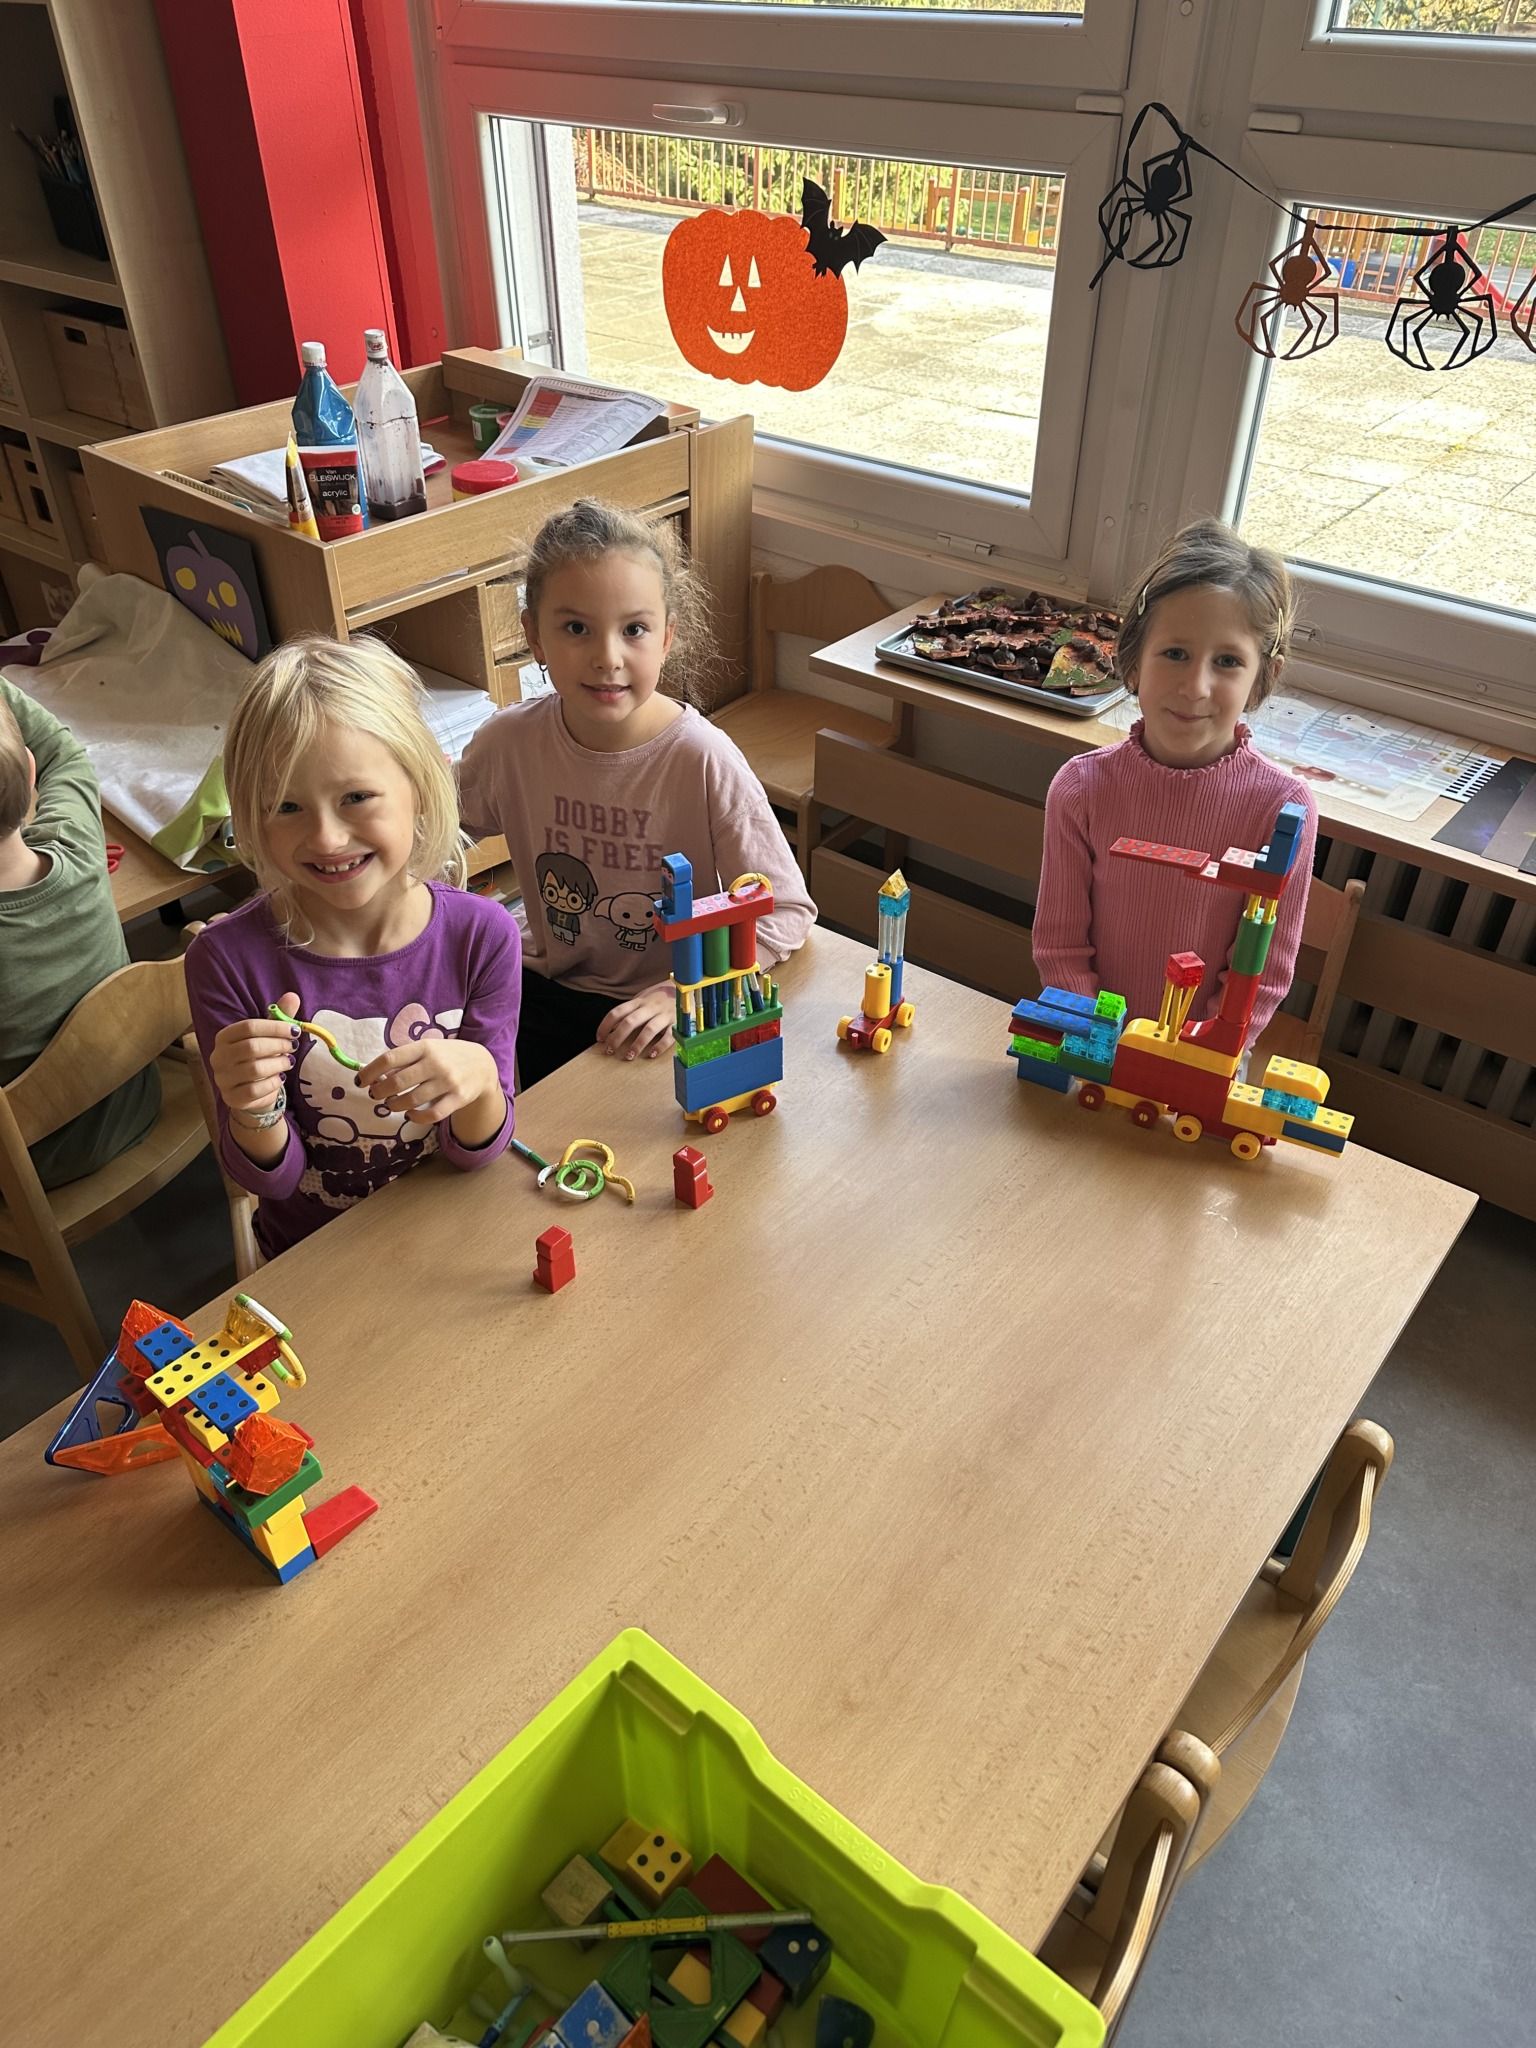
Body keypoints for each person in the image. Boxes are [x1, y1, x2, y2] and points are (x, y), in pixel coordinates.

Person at [458, 498, 815, 1089]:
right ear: (534, 636)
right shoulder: (508, 741)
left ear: (667, 637)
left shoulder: (703, 757)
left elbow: (786, 909)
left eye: (634, 630)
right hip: (541, 995)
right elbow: (432, 833)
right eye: (576, 628)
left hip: (671, 1010)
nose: (607, 658)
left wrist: (683, 991)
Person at [185, 636, 519, 1257]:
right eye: (287, 806)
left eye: (355, 797)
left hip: (454, 1233)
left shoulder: (481, 936)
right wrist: (253, 1106)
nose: (327, 838)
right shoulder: (225, 961)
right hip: (315, 1253)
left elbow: (476, 1153)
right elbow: (273, 1180)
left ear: (419, 785)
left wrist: (478, 1079)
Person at [1032, 518, 1317, 1044]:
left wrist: (1189, 1057)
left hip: (1201, 1060)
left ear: (1263, 679)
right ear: (1133, 661)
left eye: (1227, 661)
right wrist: (1100, 1042)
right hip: (1090, 1045)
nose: (1195, 686)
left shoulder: (1284, 809)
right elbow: (1060, 948)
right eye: (1176, 654)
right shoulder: (1080, 788)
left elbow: (1262, 976)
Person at [0, 680, 159, 1187]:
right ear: (29, 772)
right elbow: (65, 754)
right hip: (138, 1102)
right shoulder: (79, 843)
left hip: (26, 1172)